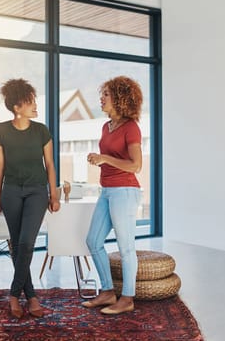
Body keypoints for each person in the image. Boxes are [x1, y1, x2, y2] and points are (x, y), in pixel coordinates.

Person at [0, 78, 60, 319]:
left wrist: (54, 193)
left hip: (37, 191)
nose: (34, 105)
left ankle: (13, 294)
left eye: (34, 100)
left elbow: (50, 164)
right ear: (16, 107)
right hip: (10, 191)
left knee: (27, 243)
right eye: (29, 102)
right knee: (18, 245)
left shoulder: (41, 130)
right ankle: (31, 296)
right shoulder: (0, 131)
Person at [84, 76, 143, 315]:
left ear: (119, 98)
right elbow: (109, 158)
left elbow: (135, 165)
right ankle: (108, 292)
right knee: (93, 241)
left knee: (126, 247)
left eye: (106, 94)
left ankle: (127, 298)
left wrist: (105, 158)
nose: (101, 99)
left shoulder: (131, 127)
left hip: (125, 191)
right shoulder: (105, 126)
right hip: (107, 190)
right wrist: (98, 159)